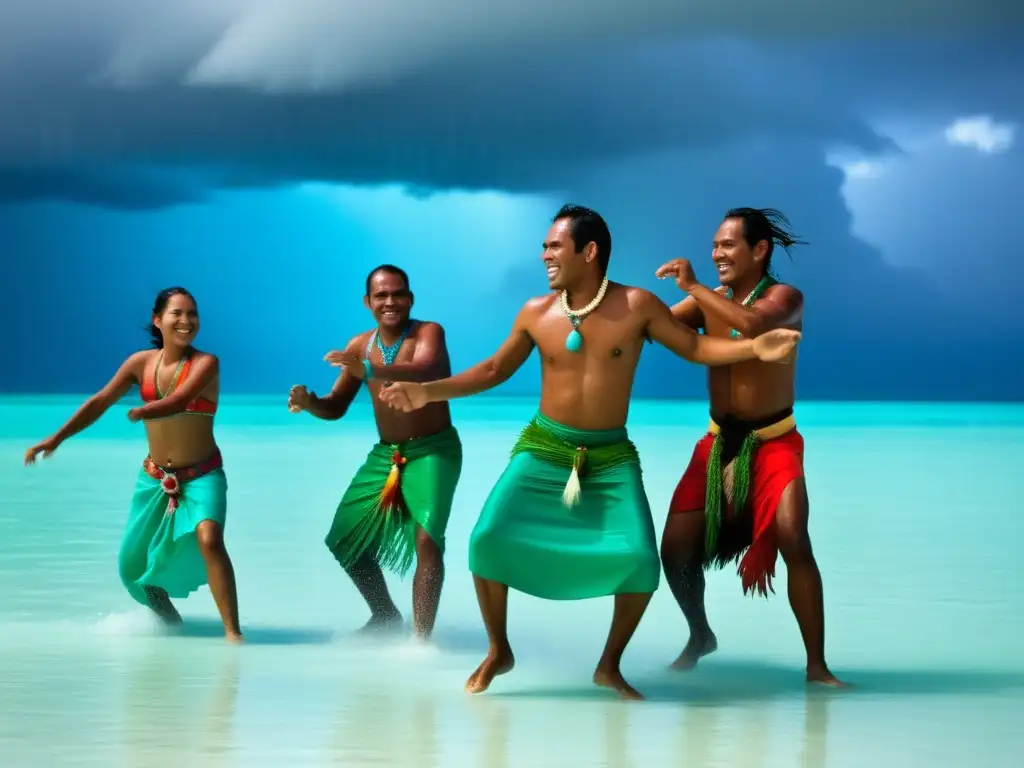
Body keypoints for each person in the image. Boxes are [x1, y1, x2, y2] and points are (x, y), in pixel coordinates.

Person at [377, 204, 801, 700]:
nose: (545, 255)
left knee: (641, 560)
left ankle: (609, 665)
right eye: (544, 246)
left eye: (554, 246)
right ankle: (499, 649)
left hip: (609, 457)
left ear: (589, 251)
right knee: (487, 538)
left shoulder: (637, 305)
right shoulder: (536, 312)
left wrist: (755, 349)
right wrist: (429, 393)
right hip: (543, 447)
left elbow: (695, 348)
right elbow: (493, 370)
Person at [655, 207, 845, 686]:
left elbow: (756, 326)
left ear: (759, 250)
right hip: (718, 444)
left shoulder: (786, 297)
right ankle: (700, 635)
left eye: (728, 245)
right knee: (674, 549)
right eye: (715, 245)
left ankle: (817, 666)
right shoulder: (708, 302)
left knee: (793, 536)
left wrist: (694, 289)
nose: (717, 253)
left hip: (774, 442)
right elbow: (656, 328)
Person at [24, 287, 243, 642]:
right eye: (177, 313)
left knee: (210, 538)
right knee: (131, 568)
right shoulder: (139, 363)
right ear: (158, 320)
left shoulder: (206, 363)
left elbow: (181, 399)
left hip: (202, 475)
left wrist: (145, 410)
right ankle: (171, 622)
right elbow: (100, 401)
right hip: (155, 480)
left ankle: (233, 634)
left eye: (192, 314)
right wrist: (57, 438)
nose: (186, 321)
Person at [288, 264, 462, 640]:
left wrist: (367, 369)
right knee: (343, 538)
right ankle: (384, 615)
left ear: (410, 299)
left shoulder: (428, 333)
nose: (390, 301)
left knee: (427, 539)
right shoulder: (359, 346)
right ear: (367, 302)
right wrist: (310, 402)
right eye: (381, 295)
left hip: (434, 449)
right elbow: (336, 406)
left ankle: (421, 642)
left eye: (398, 293)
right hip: (388, 454)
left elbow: (427, 370)